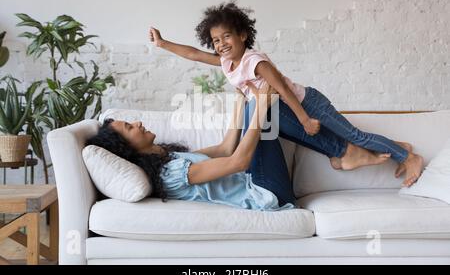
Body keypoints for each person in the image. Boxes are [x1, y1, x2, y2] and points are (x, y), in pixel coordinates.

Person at [148, 0, 423, 187]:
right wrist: (162, 43)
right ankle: (395, 149)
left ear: (243, 35)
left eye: (227, 37)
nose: (221, 44)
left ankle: (408, 157)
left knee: (354, 135)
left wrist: (304, 118)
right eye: (216, 40)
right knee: (347, 142)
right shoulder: (226, 62)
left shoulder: (255, 61)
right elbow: (194, 54)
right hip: (285, 110)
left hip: (308, 102)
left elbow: (280, 88)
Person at [85, 83, 393, 210]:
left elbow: (224, 147)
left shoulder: (168, 155)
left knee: (264, 108)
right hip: (268, 193)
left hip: (262, 180)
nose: (137, 123)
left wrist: (242, 102)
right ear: (128, 148)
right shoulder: (172, 173)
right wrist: (258, 107)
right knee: (268, 109)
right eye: (129, 127)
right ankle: (341, 152)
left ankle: (341, 153)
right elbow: (238, 161)